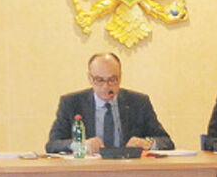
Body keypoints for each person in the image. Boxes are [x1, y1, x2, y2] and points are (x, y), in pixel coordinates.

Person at [45, 53, 173, 154]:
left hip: (129, 171)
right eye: (99, 80)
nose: (106, 86)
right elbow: (52, 144)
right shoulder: (71, 103)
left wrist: (147, 143)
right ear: (89, 78)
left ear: (120, 77)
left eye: (112, 80)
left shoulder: (138, 102)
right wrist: (81, 145)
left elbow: (166, 142)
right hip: (86, 172)